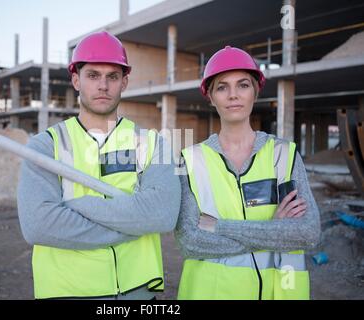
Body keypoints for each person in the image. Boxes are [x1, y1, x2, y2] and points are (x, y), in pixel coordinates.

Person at [17, 31, 180, 300]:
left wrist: (75, 208)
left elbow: (162, 215)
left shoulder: (152, 143)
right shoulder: (45, 146)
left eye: (112, 76)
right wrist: (134, 224)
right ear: (76, 80)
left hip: (137, 293)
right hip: (67, 291)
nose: (103, 85)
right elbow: (38, 226)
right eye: (93, 75)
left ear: (124, 82)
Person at [175, 46, 321, 300]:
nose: (233, 95)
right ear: (210, 96)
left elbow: (308, 233)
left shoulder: (284, 156)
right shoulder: (191, 161)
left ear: (255, 91)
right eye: (222, 87)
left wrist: (219, 227)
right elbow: (190, 242)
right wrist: (273, 230)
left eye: (243, 85)